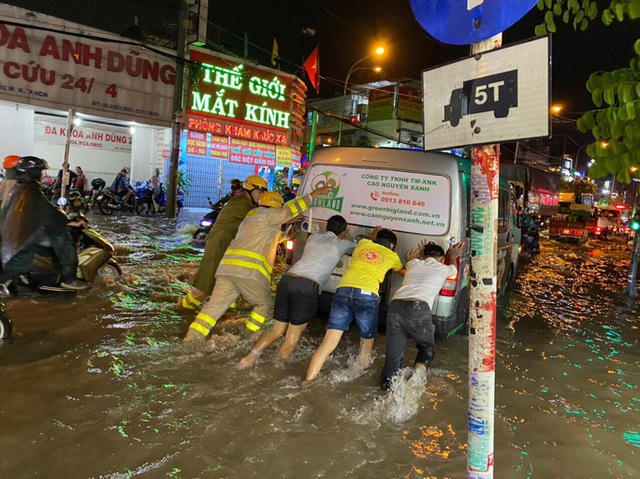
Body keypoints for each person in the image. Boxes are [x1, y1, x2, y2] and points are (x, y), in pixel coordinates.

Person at [183, 184, 333, 343]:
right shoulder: (268, 214)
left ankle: (191, 338)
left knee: (213, 308)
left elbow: (263, 238)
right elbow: (290, 209)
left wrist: (285, 236)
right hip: (247, 272)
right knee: (264, 304)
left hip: (227, 270)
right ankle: (247, 338)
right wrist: (315, 193)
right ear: (275, 206)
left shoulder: (252, 216)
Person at [238, 215, 355, 368]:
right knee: (292, 337)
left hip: (287, 280)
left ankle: (249, 358)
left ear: (327, 226)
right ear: (344, 232)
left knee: (277, 330)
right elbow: (359, 249)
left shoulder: (313, 238)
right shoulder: (342, 245)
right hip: (306, 286)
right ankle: (274, 370)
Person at [305, 227, 404, 382]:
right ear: (392, 245)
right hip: (367, 295)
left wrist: (372, 236)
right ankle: (354, 379)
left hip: (343, 291)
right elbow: (403, 271)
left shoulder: (363, 243)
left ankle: (308, 380)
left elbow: (369, 240)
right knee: (366, 342)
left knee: (328, 343)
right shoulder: (392, 256)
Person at [380, 241, 463, 391]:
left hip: (395, 307)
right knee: (427, 348)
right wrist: (453, 256)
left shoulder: (413, 264)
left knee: (393, 357)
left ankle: (387, 388)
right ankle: (414, 384)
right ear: (442, 259)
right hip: (418, 308)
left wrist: (414, 258)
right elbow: (454, 271)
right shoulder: (445, 268)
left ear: (423, 256)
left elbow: (411, 262)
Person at [178, 175, 268, 310]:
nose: (261, 196)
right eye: (259, 192)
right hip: (218, 246)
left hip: (223, 246)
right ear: (250, 189)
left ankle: (221, 312)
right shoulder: (241, 203)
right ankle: (180, 309)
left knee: (225, 287)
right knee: (205, 287)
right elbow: (260, 220)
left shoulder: (244, 201)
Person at [0, 156, 89, 291]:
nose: (43, 175)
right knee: (62, 236)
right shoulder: (31, 190)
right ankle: (69, 278)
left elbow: (44, 210)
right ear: (33, 173)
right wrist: (72, 222)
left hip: (13, 231)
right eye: (41, 172)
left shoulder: (18, 187)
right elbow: (49, 213)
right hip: (24, 235)